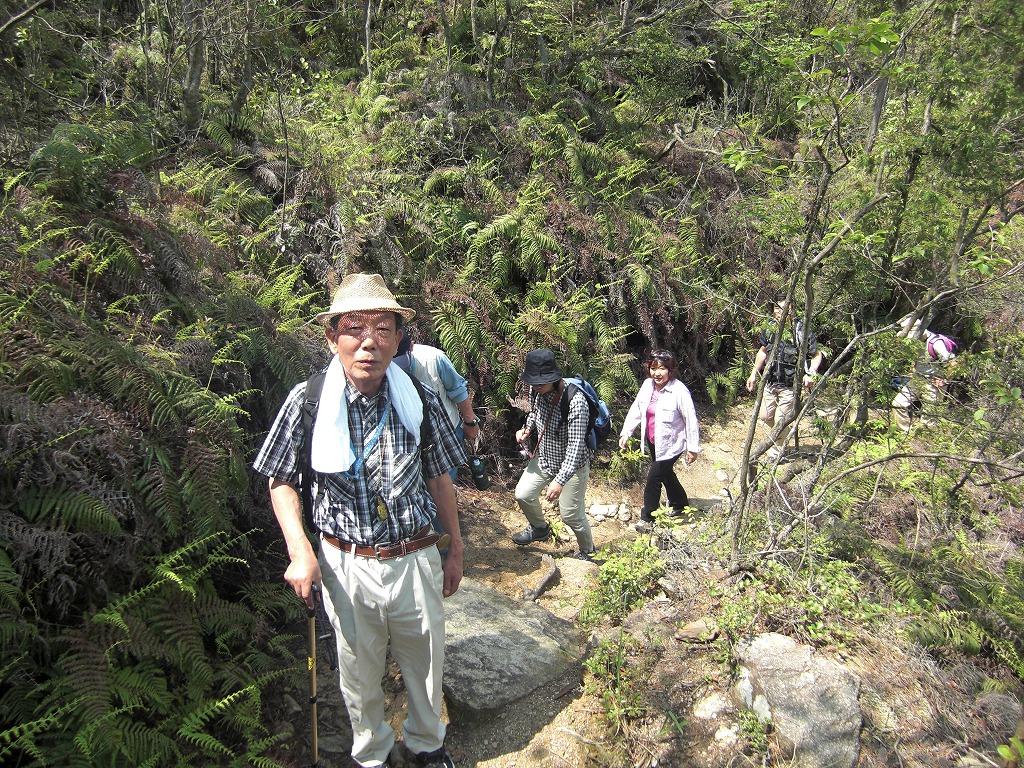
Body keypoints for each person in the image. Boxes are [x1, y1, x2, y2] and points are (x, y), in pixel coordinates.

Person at [252, 273, 465, 768]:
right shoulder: (307, 401)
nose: (369, 342)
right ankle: (372, 753)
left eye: (383, 328)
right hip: (345, 563)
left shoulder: (418, 397)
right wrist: (299, 550)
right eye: (354, 328)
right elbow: (280, 480)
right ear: (333, 338)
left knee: (426, 663)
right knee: (357, 671)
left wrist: (454, 547)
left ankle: (426, 744)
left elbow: (439, 477)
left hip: (415, 556)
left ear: (398, 338)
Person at [511, 348, 596, 560]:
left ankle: (587, 551)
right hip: (545, 458)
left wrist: (559, 481)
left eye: (540, 383)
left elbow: (576, 447)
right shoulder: (537, 390)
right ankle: (539, 528)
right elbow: (534, 413)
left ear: (553, 378)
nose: (535, 387)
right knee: (523, 494)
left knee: (570, 515)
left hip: (573, 467)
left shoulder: (576, 402)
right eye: (533, 383)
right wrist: (527, 429)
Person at [618, 349, 701, 523]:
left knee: (654, 478)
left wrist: (693, 448)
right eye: (653, 368)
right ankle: (680, 504)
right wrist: (626, 433)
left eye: (662, 368)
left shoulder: (679, 391)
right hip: (653, 440)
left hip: (672, 444)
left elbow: (690, 419)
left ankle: (647, 518)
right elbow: (636, 409)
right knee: (666, 474)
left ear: (670, 370)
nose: (657, 373)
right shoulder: (647, 386)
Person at [392, 332, 480, 482]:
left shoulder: (434, 359)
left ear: (411, 347)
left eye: (402, 362)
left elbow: (458, 390)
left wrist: (470, 422)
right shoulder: (380, 368)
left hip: (445, 431)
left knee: (445, 481)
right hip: (408, 438)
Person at [745, 296, 823, 456]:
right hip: (770, 382)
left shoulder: (801, 331)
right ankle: (782, 435)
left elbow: (816, 354)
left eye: (784, 308)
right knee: (765, 417)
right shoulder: (769, 328)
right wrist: (753, 374)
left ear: (791, 310)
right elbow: (763, 351)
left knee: (780, 421)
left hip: (790, 386)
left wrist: (811, 373)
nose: (779, 312)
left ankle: (775, 453)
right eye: (777, 308)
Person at [891, 315, 957, 432]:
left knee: (929, 419)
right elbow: (916, 358)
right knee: (898, 403)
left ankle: (927, 439)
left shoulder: (936, 344)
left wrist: (945, 380)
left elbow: (953, 364)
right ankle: (904, 433)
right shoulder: (915, 342)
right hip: (917, 378)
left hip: (935, 382)